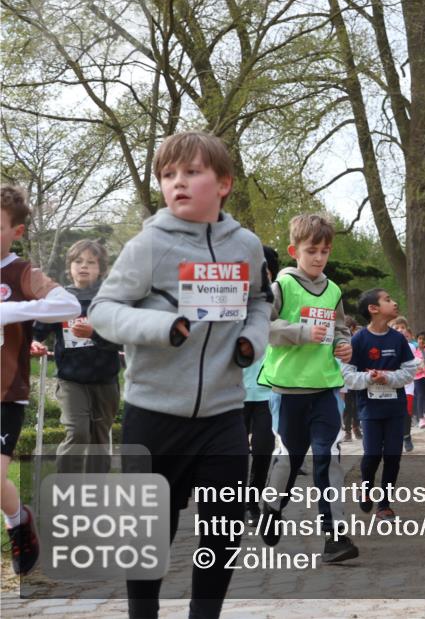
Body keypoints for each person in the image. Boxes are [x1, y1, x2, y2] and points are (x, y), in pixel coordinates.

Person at [89, 132, 272, 618]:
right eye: (169, 175)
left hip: (223, 414)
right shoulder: (148, 244)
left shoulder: (247, 246)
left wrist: (253, 340)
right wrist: (162, 326)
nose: (178, 183)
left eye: (192, 172)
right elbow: (104, 310)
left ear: (225, 183)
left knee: (223, 530)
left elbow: (259, 301)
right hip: (154, 415)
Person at [256, 213, 356, 563]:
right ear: (293, 250)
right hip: (287, 389)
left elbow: (340, 329)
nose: (319, 258)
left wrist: (345, 345)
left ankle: (335, 535)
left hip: (326, 386)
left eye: (325, 251)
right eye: (312, 250)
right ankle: (271, 506)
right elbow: (261, 326)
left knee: (328, 459)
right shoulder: (282, 286)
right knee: (290, 456)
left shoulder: (333, 290)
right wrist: (299, 331)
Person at [1, 184, 81, 576]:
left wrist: (13, 310)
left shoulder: (21, 273)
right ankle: (19, 521)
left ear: (15, 231)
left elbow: (70, 304)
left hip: (6, 391)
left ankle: (18, 523)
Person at [31, 239, 121, 474]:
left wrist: (95, 333)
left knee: (100, 440)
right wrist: (33, 342)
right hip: (71, 380)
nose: (84, 266)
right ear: (69, 267)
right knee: (78, 432)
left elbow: (122, 339)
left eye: (91, 262)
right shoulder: (60, 300)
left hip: (106, 379)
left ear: (101, 269)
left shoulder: (110, 300)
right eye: (78, 261)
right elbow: (37, 331)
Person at [341, 289, 418, 519]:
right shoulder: (359, 340)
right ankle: (366, 489)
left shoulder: (398, 339)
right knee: (372, 454)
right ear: (373, 309)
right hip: (370, 408)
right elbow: (347, 374)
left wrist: (389, 378)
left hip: (395, 407)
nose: (394, 303)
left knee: (393, 455)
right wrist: (368, 379)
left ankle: (384, 504)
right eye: (388, 300)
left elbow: (410, 370)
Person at [241, 245, 280, 522]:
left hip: (268, 391)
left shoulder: (277, 304)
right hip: (233, 392)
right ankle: (235, 500)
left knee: (264, 449)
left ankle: (253, 502)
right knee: (234, 454)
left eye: (265, 268)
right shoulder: (229, 302)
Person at [392, 316, 417, 452]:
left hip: (407, 385)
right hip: (392, 385)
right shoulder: (388, 344)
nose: (400, 330)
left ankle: (407, 436)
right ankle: (395, 438)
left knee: (406, 411)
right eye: (397, 328)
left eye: (402, 327)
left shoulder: (411, 347)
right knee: (395, 413)